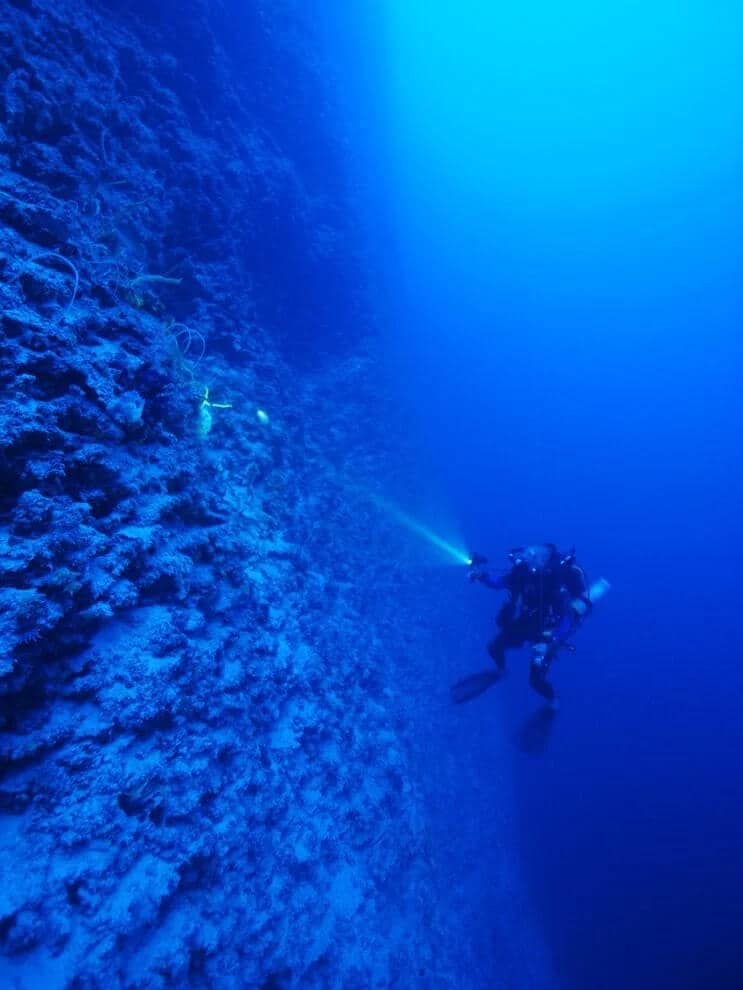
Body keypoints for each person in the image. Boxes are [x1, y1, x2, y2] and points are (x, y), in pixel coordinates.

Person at [468, 544, 591, 704]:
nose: (525, 557)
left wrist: (550, 643)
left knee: (535, 681)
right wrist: (481, 576)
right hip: (527, 621)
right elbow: (499, 583)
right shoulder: (522, 571)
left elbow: (566, 619)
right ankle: (501, 671)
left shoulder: (555, 583)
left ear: (543, 560)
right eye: (527, 553)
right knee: (494, 647)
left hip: (548, 632)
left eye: (531, 555)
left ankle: (553, 700)